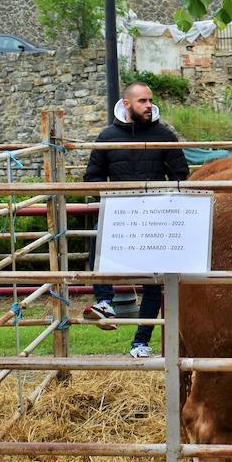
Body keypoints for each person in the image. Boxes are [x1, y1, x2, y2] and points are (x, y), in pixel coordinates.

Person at [80, 81, 190, 358]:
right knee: (98, 235)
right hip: (121, 214)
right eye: (142, 101)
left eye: (150, 100)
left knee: (154, 281)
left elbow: (181, 175)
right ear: (127, 104)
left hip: (155, 215)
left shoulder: (164, 135)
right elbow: (92, 176)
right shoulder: (107, 137)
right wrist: (110, 198)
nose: (149, 105)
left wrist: (166, 202)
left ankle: (141, 341)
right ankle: (104, 302)